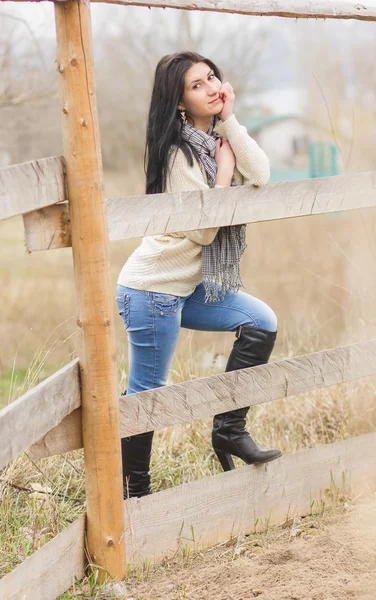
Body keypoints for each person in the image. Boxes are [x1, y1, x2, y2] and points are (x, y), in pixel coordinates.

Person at [116, 51, 282, 500]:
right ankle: (134, 493)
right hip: (152, 290)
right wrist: (225, 174)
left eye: (212, 78)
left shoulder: (213, 141)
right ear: (178, 102)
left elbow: (262, 173)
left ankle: (228, 429)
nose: (211, 87)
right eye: (197, 85)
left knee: (261, 322)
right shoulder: (179, 154)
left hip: (188, 285)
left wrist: (231, 121)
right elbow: (205, 229)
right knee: (147, 393)